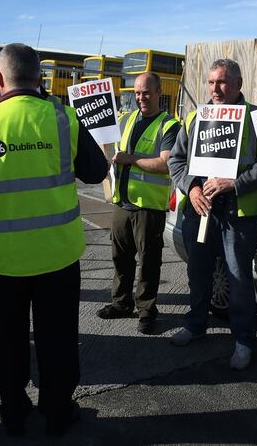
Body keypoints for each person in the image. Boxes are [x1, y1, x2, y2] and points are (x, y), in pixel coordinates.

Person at [0, 43, 107, 437]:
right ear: (41, 78)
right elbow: (96, 172)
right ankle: (57, 412)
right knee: (58, 338)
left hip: (1, 258)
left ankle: (14, 412)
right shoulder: (64, 118)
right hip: (58, 255)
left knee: (9, 340)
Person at [167, 59, 257, 370]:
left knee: (238, 281)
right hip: (200, 211)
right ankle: (196, 325)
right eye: (211, 82)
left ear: (238, 84)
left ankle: (244, 341)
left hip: (238, 214)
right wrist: (192, 189)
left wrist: (234, 183)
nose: (215, 89)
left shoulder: (256, 118)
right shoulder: (195, 118)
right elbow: (176, 161)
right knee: (198, 274)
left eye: (222, 82)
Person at [96, 72, 180, 335]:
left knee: (149, 261)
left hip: (148, 206)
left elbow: (165, 163)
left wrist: (130, 159)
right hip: (122, 202)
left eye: (146, 92)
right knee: (120, 258)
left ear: (159, 93)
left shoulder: (169, 126)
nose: (141, 97)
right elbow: (112, 150)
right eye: (138, 92)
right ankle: (121, 303)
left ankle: (146, 310)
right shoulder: (127, 119)